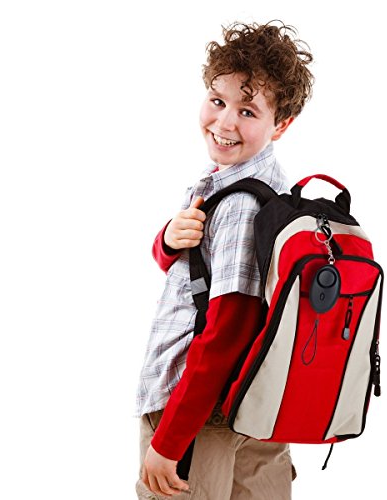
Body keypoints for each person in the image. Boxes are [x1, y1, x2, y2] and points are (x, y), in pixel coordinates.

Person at [134, 20, 314, 499]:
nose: (225, 122)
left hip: (197, 408)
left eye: (247, 110)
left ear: (281, 124)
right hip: (258, 406)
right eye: (218, 101)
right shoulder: (273, 188)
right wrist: (168, 240)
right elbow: (194, 272)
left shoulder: (237, 205)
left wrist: (169, 440)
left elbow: (229, 329)